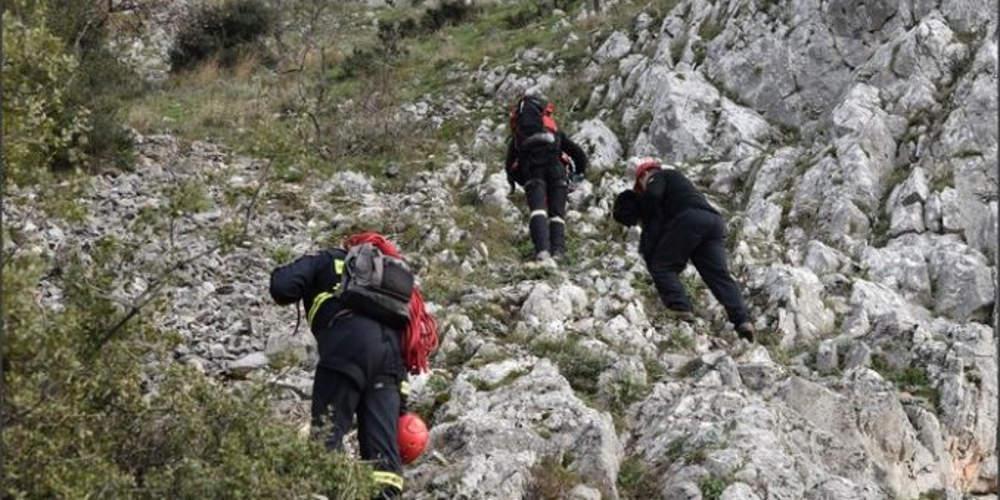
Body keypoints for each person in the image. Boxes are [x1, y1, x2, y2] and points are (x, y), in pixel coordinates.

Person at [269, 232, 438, 499]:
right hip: (392, 358)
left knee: (327, 438)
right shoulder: (387, 288)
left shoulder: (326, 259)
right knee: (384, 463)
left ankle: (329, 490)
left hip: (346, 346)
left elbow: (282, 288)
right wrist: (400, 406)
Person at [613, 159, 755, 341]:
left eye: (641, 185)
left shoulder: (657, 176)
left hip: (690, 219)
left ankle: (680, 309)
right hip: (714, 223)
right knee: (718, 276)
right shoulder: (679, 188)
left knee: (661, 266)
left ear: (643, 176)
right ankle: (742, 320)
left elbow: (654, 196)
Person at [505, 93, 589, 262]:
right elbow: (578, 154)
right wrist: (578, 174)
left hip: (533, 173)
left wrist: (520, 182)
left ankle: (542, 252)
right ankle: (558, 252)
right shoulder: (553, 130)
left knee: (538, 210)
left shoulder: (518, 136)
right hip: (556, 170)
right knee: (557, 214)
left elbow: (509, 167)